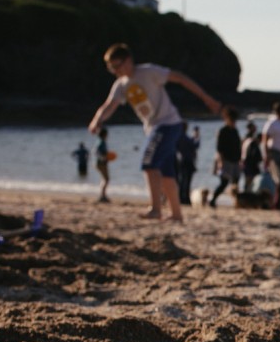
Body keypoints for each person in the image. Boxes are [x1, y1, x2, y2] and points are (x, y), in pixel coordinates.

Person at [87, 43, 221, 223]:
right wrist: (97, 120)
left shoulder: (148, 72)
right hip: (155, 128)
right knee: (166, 172)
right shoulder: (121, 85)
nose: (116, 70)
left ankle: (155, 209)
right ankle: (176, 214)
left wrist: (206, 98)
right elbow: (109, 105)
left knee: (148, 163)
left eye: (118, 65)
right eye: (112, 68)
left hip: (168, 124)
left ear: (129, 60)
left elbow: (179, 77)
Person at [209, 107, 243, 207]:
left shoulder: (235, 131)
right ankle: (213, 200)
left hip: (235, 160)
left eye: (234, 120)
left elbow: (238, 146)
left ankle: (236, 202)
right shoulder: (223, 131)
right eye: (232, 120)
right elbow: (219, 148)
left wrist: (240, 159)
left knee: (236, 181)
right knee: (224, 182)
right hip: (226, 160)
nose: (233, 122)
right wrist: (220, 161)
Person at [241, 122, 264, 192]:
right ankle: (249, 193)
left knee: (248, 180)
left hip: (246, 162)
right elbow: (254, 154)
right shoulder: (251, 140)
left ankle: (247, 193)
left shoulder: (248, 138)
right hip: (250, 163)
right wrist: (260, 159)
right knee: (251, 179)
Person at [94, 127, 112, 202]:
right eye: (107, 134)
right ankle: (102, 196)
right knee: (106, 179)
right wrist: (103, 158)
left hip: (99, 163)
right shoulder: (101, 142)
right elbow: (95, 151)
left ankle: (103, 195)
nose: (108, 135)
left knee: (104, 179)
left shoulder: (100, 141)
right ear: (104, 134)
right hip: (101, 163)